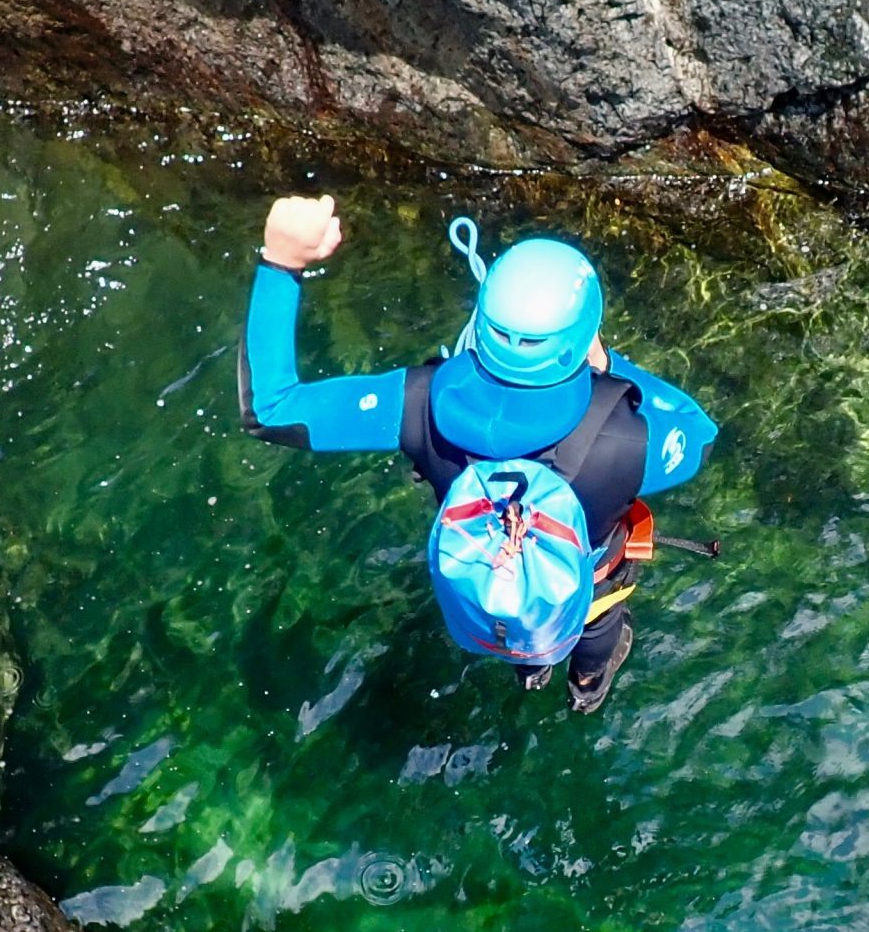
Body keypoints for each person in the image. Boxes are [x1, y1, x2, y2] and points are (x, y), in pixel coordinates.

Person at [239, 194, 717, 711]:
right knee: (596, 619)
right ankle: (587, 684)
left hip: (490, 569)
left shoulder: (418, 403)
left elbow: (271, 410)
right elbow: (699, 430)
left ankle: (529, 667)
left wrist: (280, 261)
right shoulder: (630, 440)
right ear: (580, 338)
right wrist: (610, 363)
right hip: (590, 573)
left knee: (513, 607)